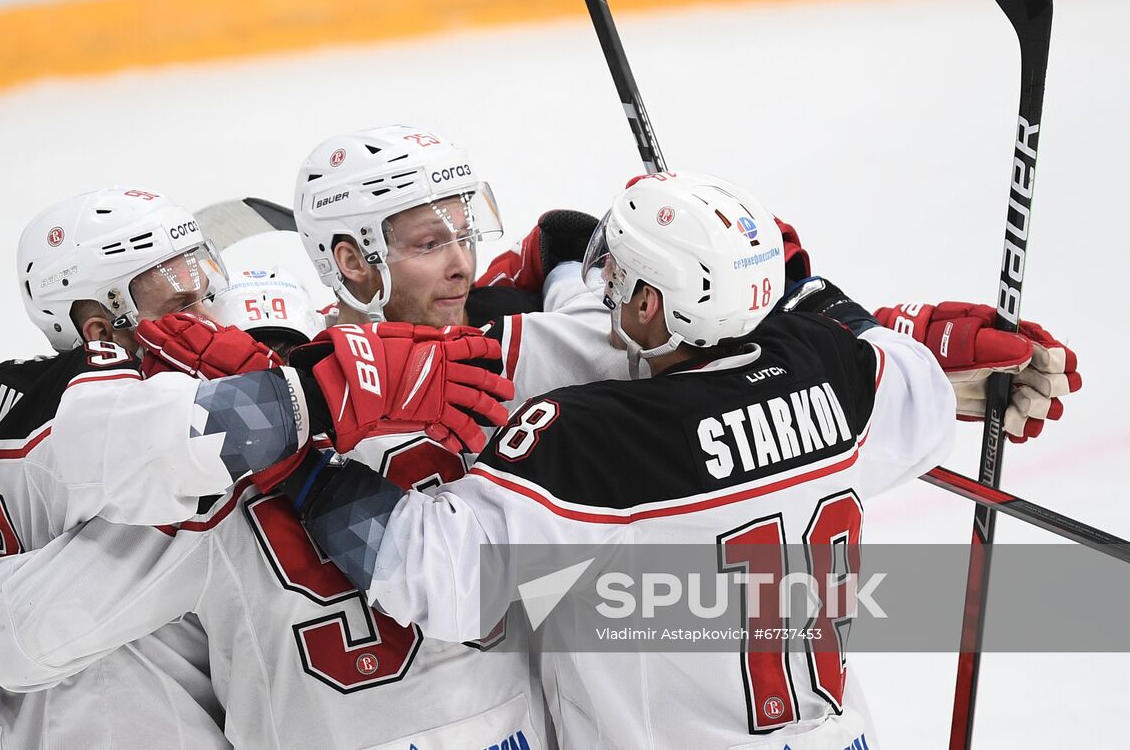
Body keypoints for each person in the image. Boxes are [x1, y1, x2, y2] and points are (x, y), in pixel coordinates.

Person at [0, 128, 1077, 749]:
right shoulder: (575, 366)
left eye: (461, 231)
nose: (467, 260)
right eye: (428, 241)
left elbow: (47, 620)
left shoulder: (230, 450)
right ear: (350, 263)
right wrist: (907, 335)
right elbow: (751, 340)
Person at [247, 169, 1067, 748]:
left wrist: (304, 465)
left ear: (648, 302)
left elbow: (436, 575)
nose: (599, 282)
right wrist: (857, 314)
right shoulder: (841, 372)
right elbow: (917, 381)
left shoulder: (592, 439)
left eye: (617, 273)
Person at [0, 186, 508, 750]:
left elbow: (18, 630)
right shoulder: (512, 397)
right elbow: (561, 599)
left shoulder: (210, 490)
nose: (209, 316)